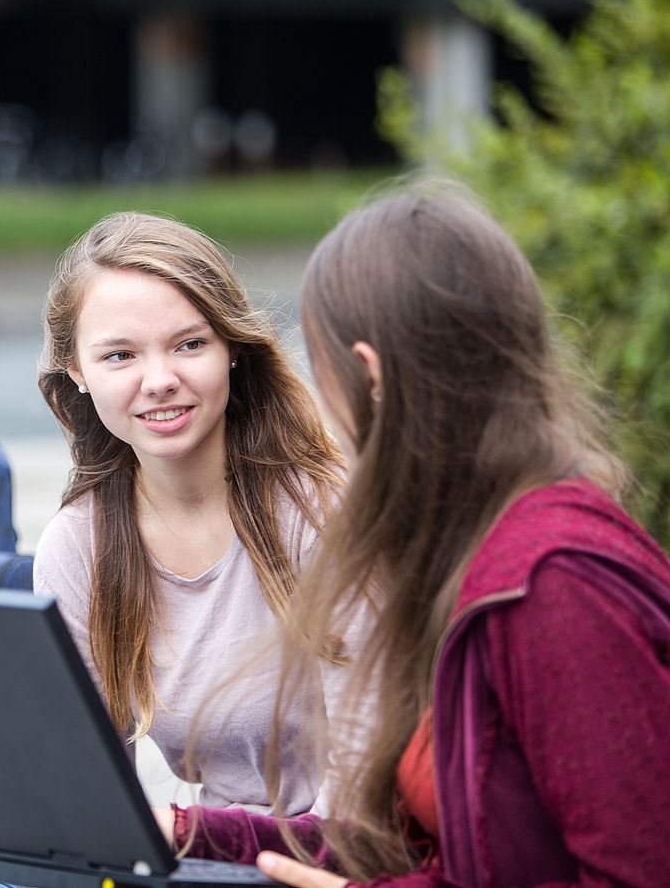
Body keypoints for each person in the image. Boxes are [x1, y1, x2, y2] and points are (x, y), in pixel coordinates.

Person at [165, 186, 670, 887]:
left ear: (370, 375)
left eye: (322, 368)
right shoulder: (483, 549)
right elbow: (444, 856)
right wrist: (187, 832)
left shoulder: (549, 586)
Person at [33, 211, 351, 815]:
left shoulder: (320, 511)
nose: (159, 381)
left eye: (189, 344)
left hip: (344, 860)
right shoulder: (79, 544)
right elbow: (95, 801)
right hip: (212, 858)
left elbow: (368, 782)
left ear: (233, 348)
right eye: (120, 355)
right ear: (77, 371)